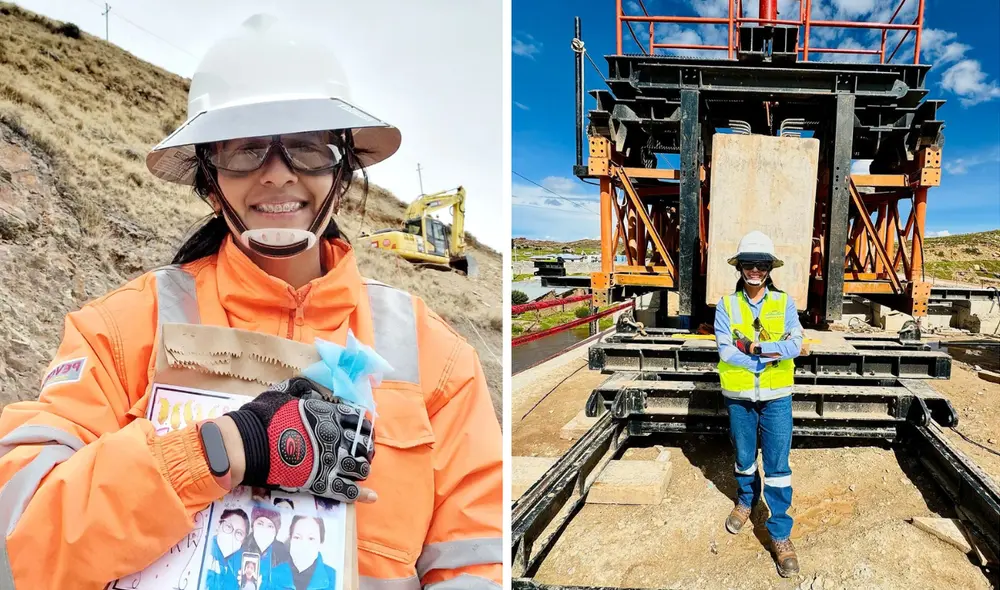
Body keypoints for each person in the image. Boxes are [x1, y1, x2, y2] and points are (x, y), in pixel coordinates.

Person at [0, 13, 501, 589]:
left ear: (342, 168)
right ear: (210, 180)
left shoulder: (435, 356)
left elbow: (476, 565)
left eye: (307, 148)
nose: (277, 174)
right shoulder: (119, 330)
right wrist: (222, 448)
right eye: (246, 151)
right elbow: (20, 542)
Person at [714, 230, 803, 578]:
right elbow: (725, 350)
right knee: (744, 459)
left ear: (769, 268)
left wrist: (752, 349)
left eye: (761, 264)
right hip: (739, 400)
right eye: (749, 263)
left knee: (779, 468)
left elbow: (796, 345)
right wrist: (770, 353)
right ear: (740, 267)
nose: (755, 270)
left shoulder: (785, 304)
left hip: (777, 399)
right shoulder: (727, 305)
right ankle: (746, 500)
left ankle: (780, 534)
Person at [270, 516, 337, 590]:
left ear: (321, 543)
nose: (303, 544)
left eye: (311, 538)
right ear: (291, 539)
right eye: (297, 537)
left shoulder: (334, 577)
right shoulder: (273, 575)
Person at [243, 505, 288, 586]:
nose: (264, 529)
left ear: (275, 532)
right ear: (253, 526)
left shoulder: (283, 554)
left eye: (270, 526)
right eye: (260, 524)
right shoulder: (241, 548)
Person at [206, 509, 250, 590]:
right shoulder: (205, 550)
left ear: (243, 540)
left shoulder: (240, 568)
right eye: (228, 526)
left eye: (239, 533)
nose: (232, 535)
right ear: (218, 526)